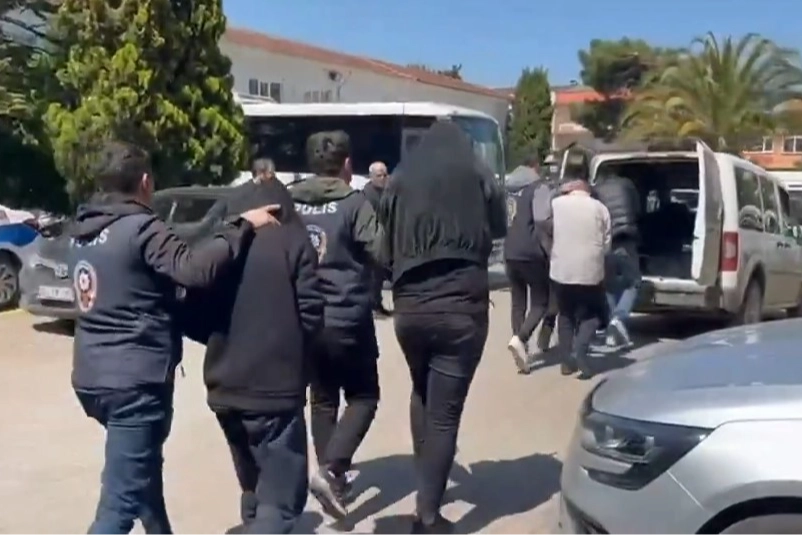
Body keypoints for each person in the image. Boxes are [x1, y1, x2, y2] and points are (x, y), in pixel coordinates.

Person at [68, 140, 278, 535]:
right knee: (118, 508)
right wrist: (241, 226)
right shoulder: (141, 227)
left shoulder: (82, 231)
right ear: (146, 182)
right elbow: (193, 269)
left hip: (93, 377)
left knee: (143, 473)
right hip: (134, 384)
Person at [378, 121, 506, 534]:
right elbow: (499, 226)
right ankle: (428, 517)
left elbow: (382, 242)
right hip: (461, 305)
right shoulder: (477, 171)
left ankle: (427, 487)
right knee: (445, 413)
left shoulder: (400, 176)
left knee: (421, 391)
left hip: (410, 306)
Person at [194, 178, 324, 535]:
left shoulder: (222, 245)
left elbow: (193, 310)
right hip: (275, 391)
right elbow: (312, 315)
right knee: (281, 501)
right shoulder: (294, 241)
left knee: (252, 483)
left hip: (224, 388)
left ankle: (253, 524)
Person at [290, 131, 384, 519]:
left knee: (323, 398)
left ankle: (334, 483)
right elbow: (380, 250)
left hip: (305, 318)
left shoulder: (290, 202)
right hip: (348, 315)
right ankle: (332, 469)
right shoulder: (354, 203)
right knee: (364, 396)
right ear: (346, 165)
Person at [550, 179, 611, 379]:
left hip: (561, 270)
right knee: (593, 314)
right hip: (590, 271)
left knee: (566, 314)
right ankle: (581, 347)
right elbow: (607, 245)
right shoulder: (600, 208)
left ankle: (566, 362)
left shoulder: (557, 204)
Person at [503, 154, 558, 373]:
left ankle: (520, 346)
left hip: (510, 250)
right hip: (531, 251)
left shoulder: (508, 189)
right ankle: (521, 338)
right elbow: (542, 220)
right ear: (534, 167)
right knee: (540, 302)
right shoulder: (538, 187)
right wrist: (549, 247)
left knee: (518, 302)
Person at [593, 172, 641, 347]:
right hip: (626, 239)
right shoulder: (627, 184)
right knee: (634, 282)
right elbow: (638, 209)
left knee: (609, 286)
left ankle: (612, 331)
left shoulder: (596, 189)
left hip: (606, 241)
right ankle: (618, 318)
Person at [362, 161, 392, 317]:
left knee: (379, 275)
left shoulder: (387, 191)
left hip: (385, 238)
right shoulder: (367, 194)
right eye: (380, 175)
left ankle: (377, 304)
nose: (383, 178)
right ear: (372, 177)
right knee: (373, 275)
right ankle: (372, 306)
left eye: (385, 175)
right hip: (372, 239)